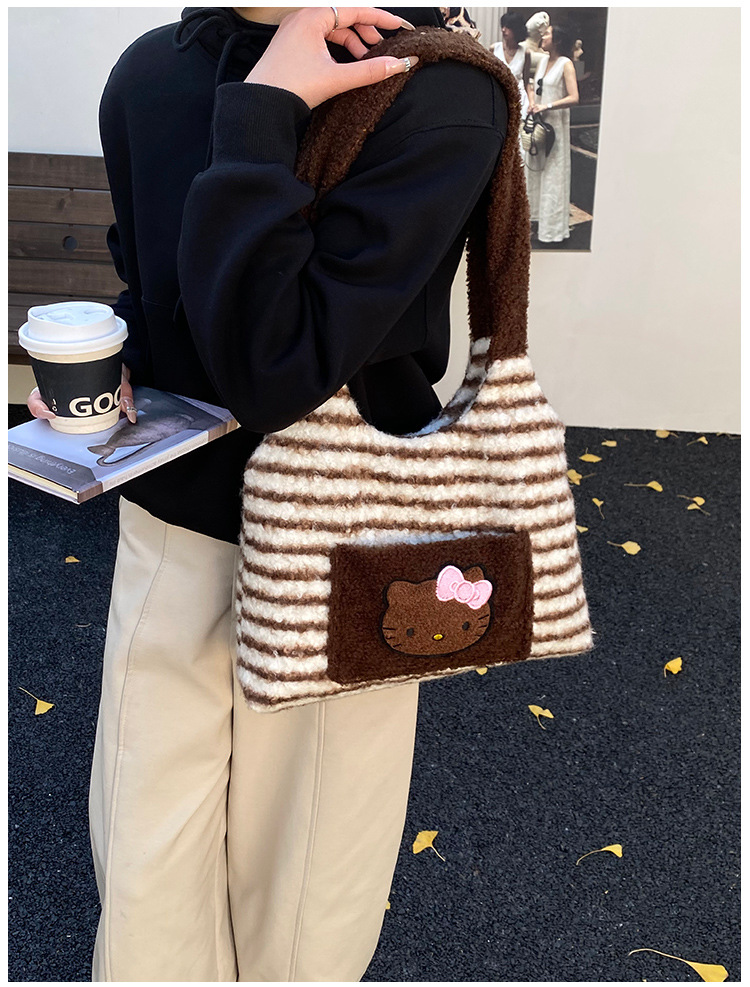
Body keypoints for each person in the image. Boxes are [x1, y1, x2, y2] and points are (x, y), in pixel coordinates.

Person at [28, 6, 508, 981]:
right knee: (145, 861)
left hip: (353, 540)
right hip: (173, 517)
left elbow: (275, 370)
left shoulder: (438, 88)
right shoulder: (149, 75)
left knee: (305, 896)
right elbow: (161, 288)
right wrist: (110, 359)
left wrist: (261, 113)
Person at [525, 20, 580, 243]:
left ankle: (553, 228)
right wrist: (533, 103)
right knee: (536, 170)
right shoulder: (543, 61)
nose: (543, 37)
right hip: (539, 124)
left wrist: (547, 106)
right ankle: (535, 219)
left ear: (557, 40)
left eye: (547, 34)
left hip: (555, 126)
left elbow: (574, 97)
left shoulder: (566, 64)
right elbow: (533, 86)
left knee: (553, 174)